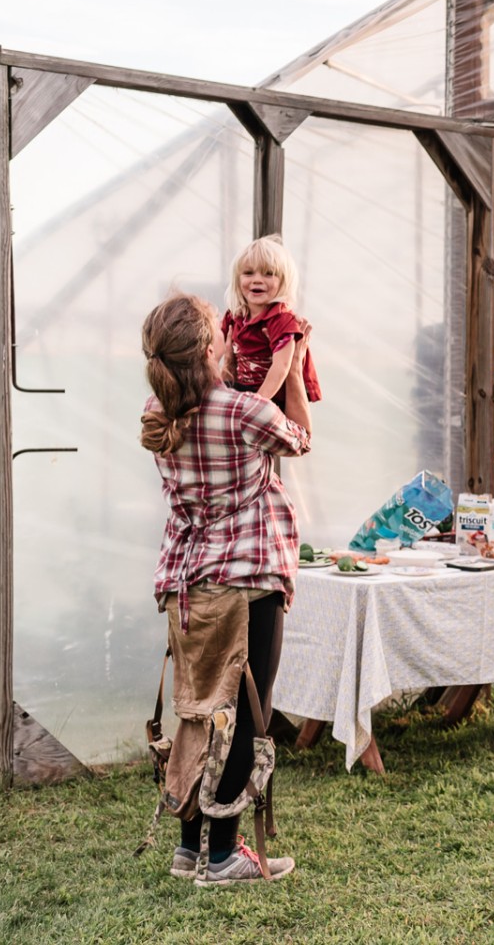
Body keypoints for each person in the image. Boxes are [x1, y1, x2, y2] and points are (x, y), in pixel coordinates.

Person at [142, 293, 311, 886]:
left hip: (188, 582)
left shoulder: (157, 413)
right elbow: (300, 439)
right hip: (246, 580)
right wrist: (293, 362)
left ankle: (191, 846)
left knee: (198, 710)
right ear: (213, 349)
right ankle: (226, 855)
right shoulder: (243, 412)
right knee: (243, 714)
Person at [218, 235, 321, 413]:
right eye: (248, 273)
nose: (257, 280)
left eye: (268, 273)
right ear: (237, 279)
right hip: (242, 390)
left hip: (272, 398)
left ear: (283, 282)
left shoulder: (281, 319)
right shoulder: (235, 316)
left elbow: (280, 367)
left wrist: (258, 403)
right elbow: (214, 348)